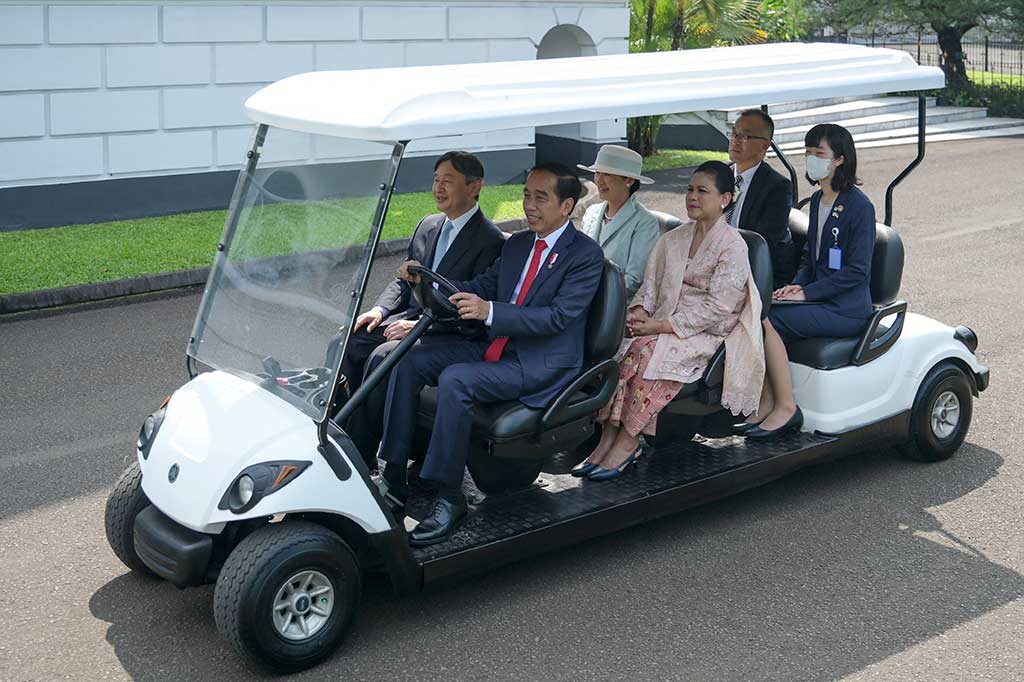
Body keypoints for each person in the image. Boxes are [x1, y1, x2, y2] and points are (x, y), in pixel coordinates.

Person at [376, 162, 605, 545]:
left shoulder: (584, 255)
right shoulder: (517, 245)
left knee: (456, 380)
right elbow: (480, 284)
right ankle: (394, 473)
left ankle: (449, 496)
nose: (529, 205)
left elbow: (558, 317)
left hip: (540, 361)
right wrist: (429, 281)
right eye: (527, 195)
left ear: (567, 206)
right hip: (496, 346)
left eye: (541, 198)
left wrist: (490, 311)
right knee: (407, 358)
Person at [574, 161, 765, 480]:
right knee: (625, 352)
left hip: (706, 332)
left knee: (647, 354)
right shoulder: (672, 239)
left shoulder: (733, 246)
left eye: (702, 191)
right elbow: (650, 287)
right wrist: (638, 314)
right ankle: (607, 438)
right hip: (663, 322)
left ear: (725, 199)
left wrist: (661, 327)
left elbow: (719, 308)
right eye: (690, 189)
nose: (692, 196)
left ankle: (628, 440)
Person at [340, 151, 504, 464]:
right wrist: (379, 311)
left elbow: (467, 312)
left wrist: (415, 329)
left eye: (449, 181)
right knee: (351, 339)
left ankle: (361, 453)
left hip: (450, 333)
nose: (438, 188)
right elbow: (404, 279)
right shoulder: (428, 226)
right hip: (410, 321)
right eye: (436, 180)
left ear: (474, 187)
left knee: (381, 356)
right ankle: (341, 433)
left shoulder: (491, 241)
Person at [742, 123, 875, 441]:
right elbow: (810, 259)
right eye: (808, 152)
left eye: (819, 153)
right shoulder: (817, 201)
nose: (811, 159)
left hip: (847, 309)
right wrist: (796, 286)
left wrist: (808, 293)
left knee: (767, 319)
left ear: (840, 159)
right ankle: (767, 401)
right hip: (821, 299)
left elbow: (856, 271)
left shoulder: (860, 207)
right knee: (757, 310)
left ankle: (784, 406)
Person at [577, 145, 661, 298]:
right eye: (597, 173)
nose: (599, 180)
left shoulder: (645, 223)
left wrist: (590, 293)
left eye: (607, 174)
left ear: (628, 180)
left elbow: (633, 280)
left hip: (613, 306)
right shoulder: (591, 212)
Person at [727, 109, 797, 288]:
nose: (735, 140)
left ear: (765, 145)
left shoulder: (777, 187)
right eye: (734, 133)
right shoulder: (720, 176)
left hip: (755, 273)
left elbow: (762, 243)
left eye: (745, 137)